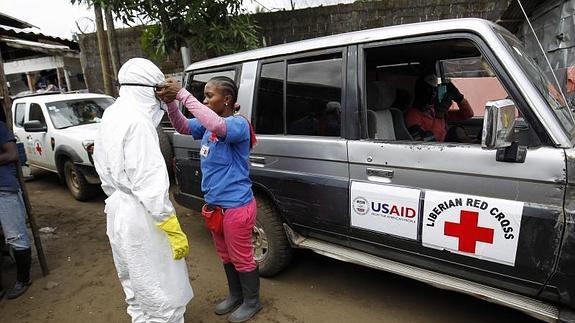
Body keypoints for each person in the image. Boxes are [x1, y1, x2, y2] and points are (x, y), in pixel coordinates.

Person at [93, 58, 193, 323]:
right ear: (149, 89)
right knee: (163, 290)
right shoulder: (138, 123)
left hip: (117, 209)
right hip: (142, 216)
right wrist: (171, 226)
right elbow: (149, 184)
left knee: (136, 287)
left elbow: (102, 165)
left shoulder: (112, 113)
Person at [156, 76, 261, 323]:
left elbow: (217, 125)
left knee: (241, 256)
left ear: (226, 100)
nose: (204, 100)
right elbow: (182, 127)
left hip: (236, 207)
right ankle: (236, 295)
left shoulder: (237, 125)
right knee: (225, 255)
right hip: (215, 207)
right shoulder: (208, 126)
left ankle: (252, 302)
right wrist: (171, 103)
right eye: (203, 95)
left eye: (209, 96)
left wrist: (182, 94)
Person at [0, 120, 32, 300]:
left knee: (15, 235)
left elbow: (13, 154)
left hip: (4, 189)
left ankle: (23, 279)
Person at [405, 74, 473, 142]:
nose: (433, 93)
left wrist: (460, 98)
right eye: (428, 89)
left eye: (435, 89)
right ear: (419, 91)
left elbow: (467, 115)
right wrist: (439, 116)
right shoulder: (412, 116)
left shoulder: (433, 110)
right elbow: (427, 142)